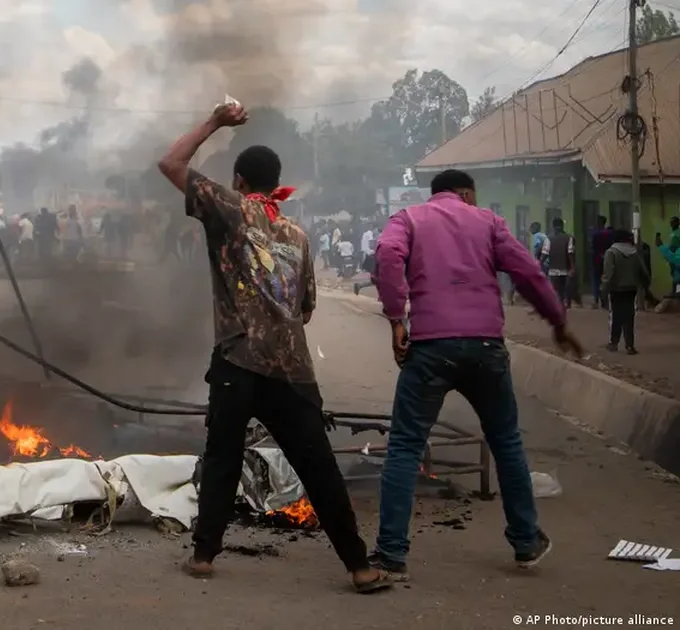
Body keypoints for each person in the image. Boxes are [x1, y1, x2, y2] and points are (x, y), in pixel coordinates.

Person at [156, 102, 392, 594]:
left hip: (237, 361)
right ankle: (359, 567)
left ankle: (203, 557)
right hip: (292, 369)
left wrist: (215, 122)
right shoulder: (297, 236)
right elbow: (305, 308)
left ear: (240, 180)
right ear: (275, 182)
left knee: (222, 457)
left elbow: (171, 163)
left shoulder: (228, 208)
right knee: (319, 466)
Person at [372, 169, 582, 582]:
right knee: (506, 441)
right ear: (467, 193)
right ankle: (526, 541)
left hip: (429, 348)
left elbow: (387, 254)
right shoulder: (488, 222)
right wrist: (557, 320)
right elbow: (527, 273)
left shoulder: (408, 219)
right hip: (486, 346)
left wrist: (397, 318)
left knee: (405, 446)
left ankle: (391, 553)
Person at [601, 229, 649, 355]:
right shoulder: (634, 252)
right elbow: (643, 271)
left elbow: (608, 274)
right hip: (631, 288)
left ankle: (614, 343)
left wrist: (604, 290)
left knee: (616, 316)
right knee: (629, 316)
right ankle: (630, 345)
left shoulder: (611, 252)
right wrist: (645, 286)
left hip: (616, 289)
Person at [540, 218, 575, 308]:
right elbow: (570, 253)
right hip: (565, 269)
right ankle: (562, 304)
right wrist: (572, 268)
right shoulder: (569, 237)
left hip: (553, 269)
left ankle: (558, 305)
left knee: (555, 289)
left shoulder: (549, 238)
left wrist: (539, 264)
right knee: (563, 289)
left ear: (553, 226)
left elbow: (545, 254)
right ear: (562, 226)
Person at [589, 216, 614, 310]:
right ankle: (605, 301)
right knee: (606, 279)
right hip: (607, 258)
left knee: (596, 280)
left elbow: (592, 246)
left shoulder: (594, 234)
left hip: (596, 259)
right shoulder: (610, 233)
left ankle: (596, 300)